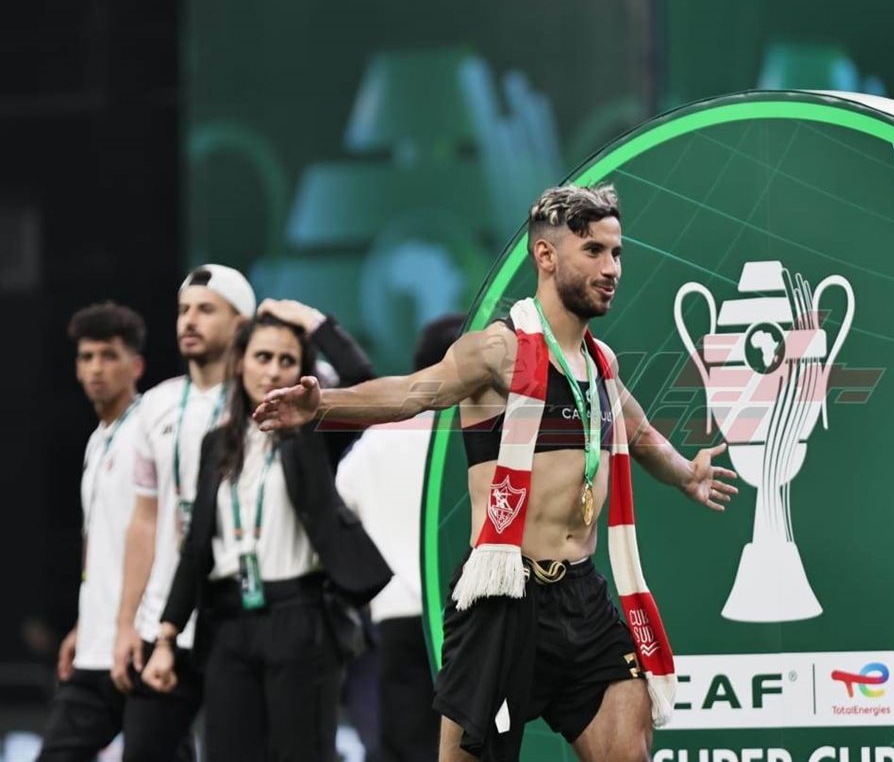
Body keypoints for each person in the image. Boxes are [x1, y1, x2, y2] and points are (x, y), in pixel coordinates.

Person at [254, 184, 738, 762]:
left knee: (628, 751)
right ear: (546, 256)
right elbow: (410, 393)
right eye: (594, 251)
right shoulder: (495, 352)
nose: (612, 268)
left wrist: (686, 474)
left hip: (582, 596)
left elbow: (639, 434)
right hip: (502, 597)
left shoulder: (600, 365)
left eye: (617, 253)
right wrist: (322, 407)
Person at [141, 304, 391, 762]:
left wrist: (310, 319)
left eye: (287, 360)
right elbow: (196, 546)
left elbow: (362, 379)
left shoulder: (314, 432)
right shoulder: (216, 443)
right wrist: (166, 636)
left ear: (302, 371)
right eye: (262, 357)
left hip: (300, 616)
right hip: (228, 622)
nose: (273, 370)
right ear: (239, 362)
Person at [111, 264, 256, 761]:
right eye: (183, 310)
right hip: (163, 625)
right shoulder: (154, 405)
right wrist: (126, 624)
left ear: (241, 324)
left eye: (206, 309)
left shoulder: (260, 400)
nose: (189, 320)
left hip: (236, 618)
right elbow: (145, 519)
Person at [336, 313, 466, 762]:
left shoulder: (378, 439)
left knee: (408, 748)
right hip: (469, 617)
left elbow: (340, 505)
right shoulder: (478, 433)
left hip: (397, 616)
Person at [36, 303, 146, 761]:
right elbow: (101, 546)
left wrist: (132, 624)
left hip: (140, 642)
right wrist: (85, 623)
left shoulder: (149, 430)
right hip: (96, 645)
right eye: (87, 357)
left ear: (136, 366)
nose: (96, 368)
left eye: (108, 355)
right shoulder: (97, 441)